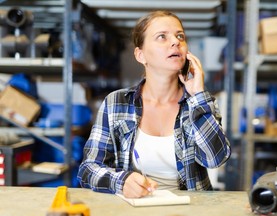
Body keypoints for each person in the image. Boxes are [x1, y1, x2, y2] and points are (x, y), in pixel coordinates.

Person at [77, 10, 231, 198]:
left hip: (191, 214)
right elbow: (88, 169)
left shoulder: (198, 103)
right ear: (140, 55)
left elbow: (216, 159)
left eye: (180, 36)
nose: (175, 42)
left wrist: (198, 95)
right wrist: (121, 181)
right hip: (134, 211)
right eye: (162, 37)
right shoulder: (117, 103)